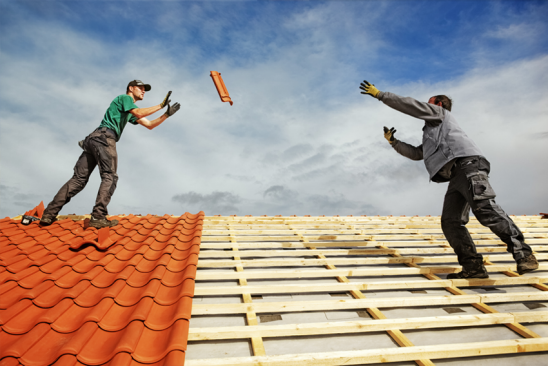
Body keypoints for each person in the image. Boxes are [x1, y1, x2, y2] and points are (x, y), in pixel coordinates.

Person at [359, 80, 538, 278]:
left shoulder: (440, 114)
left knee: (485, 209)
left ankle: (524, 255)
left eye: (428, 103)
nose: (425, 107)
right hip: (456, 175)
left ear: (439, 105)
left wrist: (381, 95)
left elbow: (411, 105)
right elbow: (419, 153)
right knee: (450, 221)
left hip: (468, 166)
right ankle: (473, 267)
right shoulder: (432, 132)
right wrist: (394, 142)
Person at [40, 80, 180, 228]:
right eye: (140, 88)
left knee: (78, 180)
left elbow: (149, 125)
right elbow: (139, 112)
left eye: (144, 89)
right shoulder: (125, 98)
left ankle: (48, 214)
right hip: (105, 139)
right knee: (110, 176)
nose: (143, 91)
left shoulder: (128, 110)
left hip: (93, 139)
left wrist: (166, 115)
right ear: (130, 88)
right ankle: (98, 217)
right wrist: (160, 105)